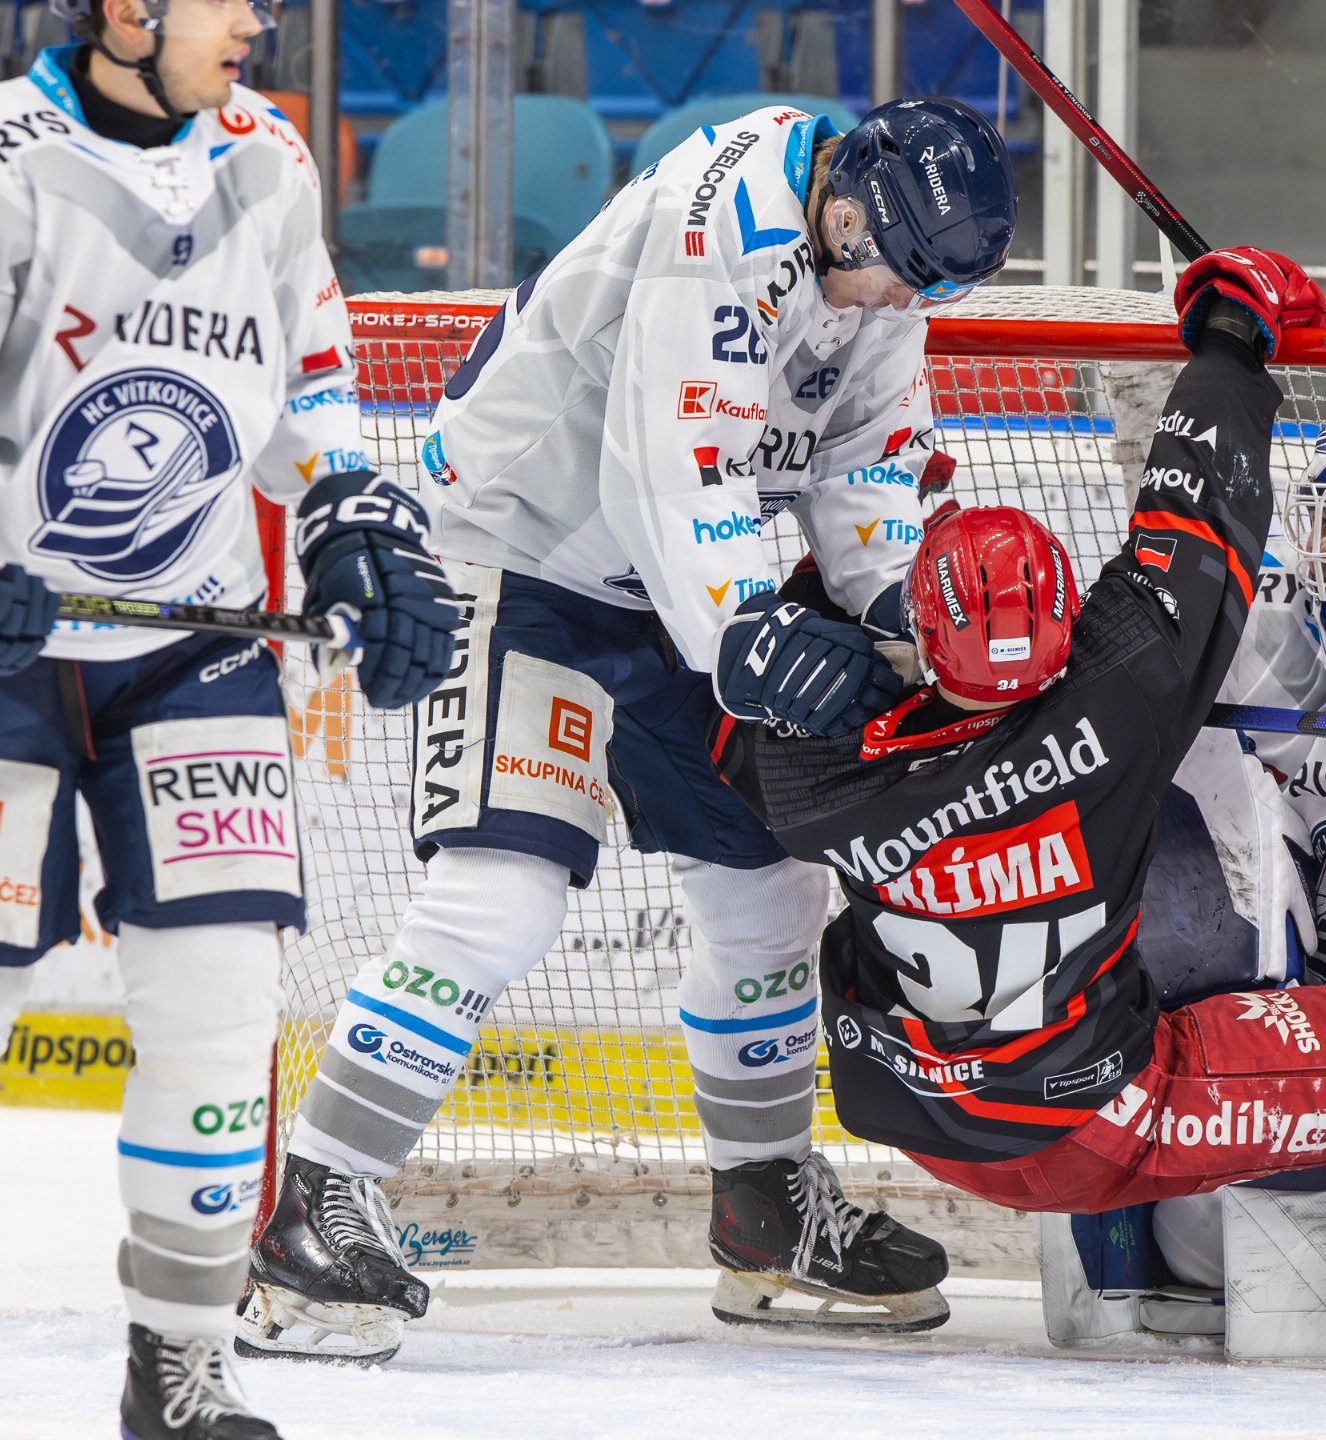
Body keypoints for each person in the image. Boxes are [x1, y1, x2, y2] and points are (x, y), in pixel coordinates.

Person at [242, 95, 1018, 1356]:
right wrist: (753, 636)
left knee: (768, 893)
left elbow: (866, 470)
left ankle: (765, 1209)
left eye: (922, 287)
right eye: (890, 269)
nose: (893, 301)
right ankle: (314, 1207)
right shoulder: (723, 214)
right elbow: (673, 463)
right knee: (501, 897)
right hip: (522, 565)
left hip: (674, 590)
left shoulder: (889, 262)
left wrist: (906, 616)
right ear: (843, 204)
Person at [710, 247, 1326, 1241]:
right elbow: (1197, 519)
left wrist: (792, 616)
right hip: (1104, 1122)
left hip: (915, 1117)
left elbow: (728, 723)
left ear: (919, 632)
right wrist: (1231, 341)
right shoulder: (1109, 711)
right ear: (1066, 631)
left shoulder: (816, 772)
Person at [0, 2, 460, 1435]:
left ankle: (182, 1365)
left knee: (219, 1016)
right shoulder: (14, 160)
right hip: (8, 659)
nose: (258, 19)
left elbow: (309, 386)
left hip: (194, 653)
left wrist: (350, 520)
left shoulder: (269, 158)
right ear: (125, 9)